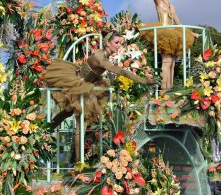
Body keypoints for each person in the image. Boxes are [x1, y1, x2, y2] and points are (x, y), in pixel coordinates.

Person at [45, 30, 156, 160]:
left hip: (85, 86)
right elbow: (121, 71)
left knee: (67, 113)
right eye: (116, 42)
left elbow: (98, 72)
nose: (119, 45)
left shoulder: (104, 56)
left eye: (120, 42)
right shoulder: (101, 58)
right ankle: (78, 164)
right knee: (81, 124)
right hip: (78, 87)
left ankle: (45, 131)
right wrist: (143, 80)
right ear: (107, 43)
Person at [137, 0, 198, 91]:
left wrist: (190, 33)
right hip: (163, 33)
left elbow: (178, 22)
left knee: (172, 62)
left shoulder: (172, 6)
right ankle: (164, 88)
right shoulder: (159, 3)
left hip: (172, 34)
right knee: (167, 61)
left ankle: (169, 88)